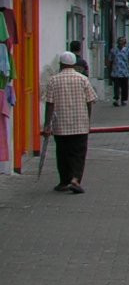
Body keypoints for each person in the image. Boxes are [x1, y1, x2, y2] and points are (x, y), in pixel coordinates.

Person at [43, 51, 97, 193]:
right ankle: (75, 179)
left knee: (63, 153)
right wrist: (88, 120)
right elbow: (90, 101)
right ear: (74, 64)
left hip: (60, 125)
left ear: (61, 64)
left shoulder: (53, 80)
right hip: (80, 124)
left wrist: (47, 124)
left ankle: (64, 182)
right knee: (79, 153)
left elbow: (50, 104)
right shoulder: (83, 79)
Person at [107, 41, 129, 107]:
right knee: (116, 87)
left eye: (122, 43)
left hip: (125, 72)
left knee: (124, 87)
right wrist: (109, 70)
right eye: (119, 42)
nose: (121, 44)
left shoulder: (127, 50)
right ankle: (116, 99)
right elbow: (110, 60)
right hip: (116, 72)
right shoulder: (113, 50)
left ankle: (123, 100)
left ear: (124, 43)